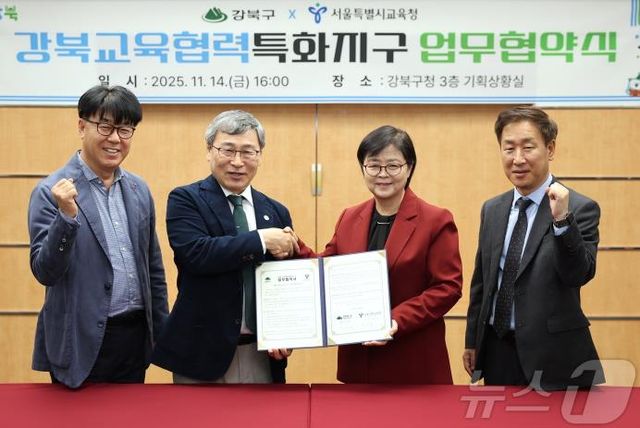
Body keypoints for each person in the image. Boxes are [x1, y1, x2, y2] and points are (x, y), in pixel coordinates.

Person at [28, 85, 169, 389]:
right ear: (82, 126)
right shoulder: (51, 191)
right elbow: (45, 272)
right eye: (105, 126)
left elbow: (153, 269)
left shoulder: (139, 189)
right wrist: (66, 217)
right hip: (78, 339)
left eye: (125, 129)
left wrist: (162, 332)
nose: (115, 138)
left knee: (130, 413)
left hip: (133, 339)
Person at [151, 110, 300, 383]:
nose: (237, 162)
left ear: (260, 155)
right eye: (228, 150)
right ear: (209, 151)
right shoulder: (186, 199)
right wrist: (262, 240)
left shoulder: (276, 211)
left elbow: (285, 284)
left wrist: (287, 331)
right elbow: (197, 253)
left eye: (248, 152)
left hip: (261, 353)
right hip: (200, 355)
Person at [463, 106, 605, 390]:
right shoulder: (492, 209)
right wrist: (472, 340)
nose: (518, 159)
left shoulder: (579, 207)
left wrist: (562, 220)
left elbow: (578, 274)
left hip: (555, 356)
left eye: (528, 147)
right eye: (509, 148)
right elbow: (483, 281)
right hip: (498, 350)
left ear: (550, 149)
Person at [313, 125, 463, 383]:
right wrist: (292, 246)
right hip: (358, 363)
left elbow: (447, 287)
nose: (382, 174)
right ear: (363, 168)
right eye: (373, 165)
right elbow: (325, 270)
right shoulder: (349, 217)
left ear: (409, 168)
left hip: (413, 363)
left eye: (393, 166)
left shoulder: (435, 220)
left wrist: (395, 320)